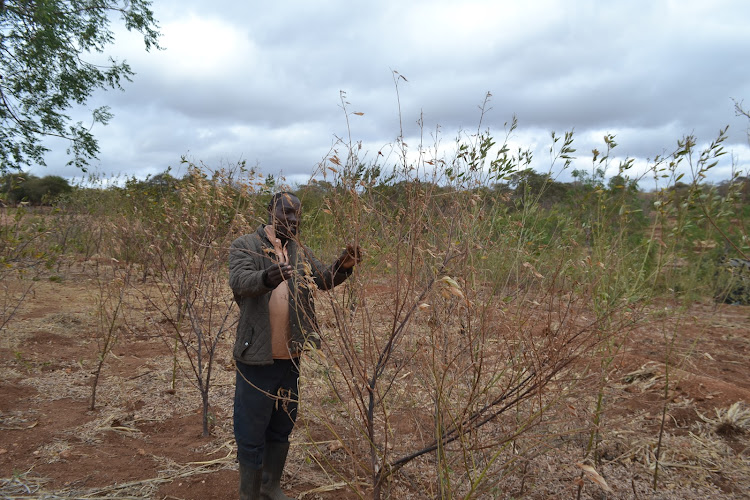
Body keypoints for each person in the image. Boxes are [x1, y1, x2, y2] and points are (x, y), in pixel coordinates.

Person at [228, 192, 360, 500]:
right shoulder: (245, 246)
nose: (293, 219)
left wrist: (344, 264)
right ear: (270, 211)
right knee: (250, 429)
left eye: (297, 214)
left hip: (291, 356)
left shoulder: (299, 251)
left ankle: (270, 486)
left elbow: (323, 280)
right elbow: (240, 281)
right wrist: (267, 276)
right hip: (257, 356)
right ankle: (249, 493)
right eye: (286, 212)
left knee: (283, 422)